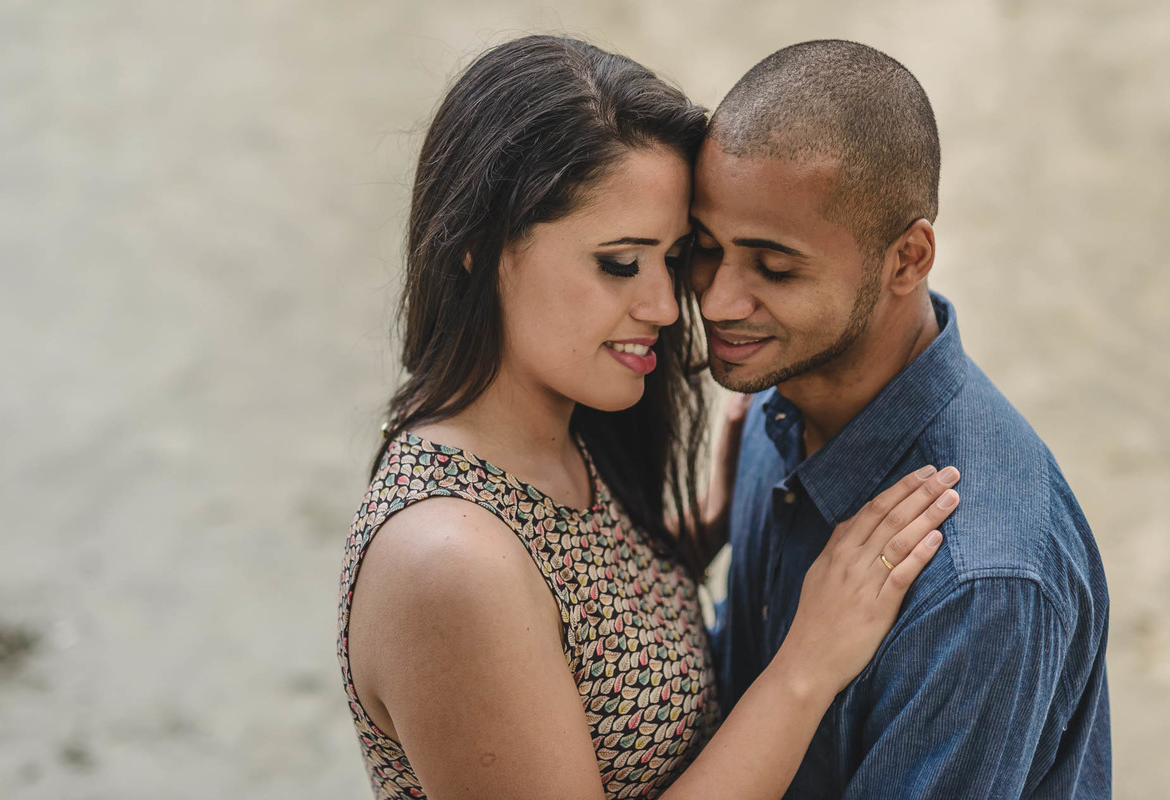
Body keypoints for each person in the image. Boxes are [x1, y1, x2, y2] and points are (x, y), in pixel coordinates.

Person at [337, 35, 962, 800]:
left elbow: (579, 635)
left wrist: (701, 534)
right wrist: (808, 664)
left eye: (672, 258)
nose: (669, 308)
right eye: (618, 263)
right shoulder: (449, 564)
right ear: (477, 247)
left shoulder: (566, 442)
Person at [692, 40, 1111, 798]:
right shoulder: (771, 399)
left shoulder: (982, 582)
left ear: (908, 259)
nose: (718, 301)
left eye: (775, 268)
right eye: (704, 249)